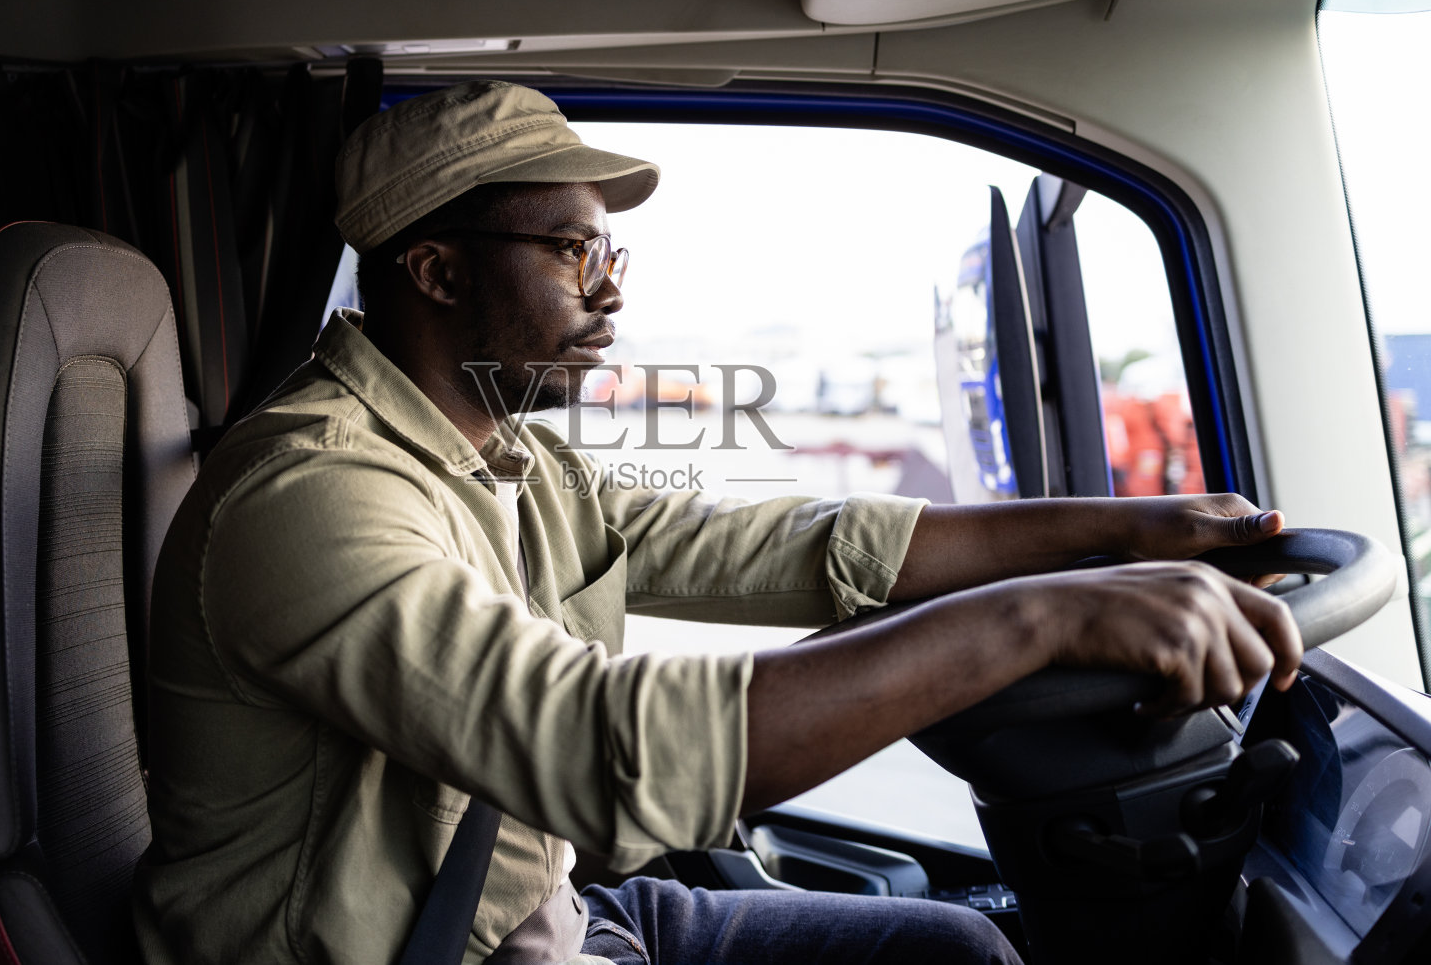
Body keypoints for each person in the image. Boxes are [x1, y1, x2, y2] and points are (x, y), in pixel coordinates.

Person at [132, 81, 1303, 965]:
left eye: (608, 247)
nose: (610, 287)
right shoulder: (313, 495)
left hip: (556, 917)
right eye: (570, 247)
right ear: (434, 271)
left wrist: (1134, 529)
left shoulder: (510, 458)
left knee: (951, 952)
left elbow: (801, 546)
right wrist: (1036, 622)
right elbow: (599, 746)